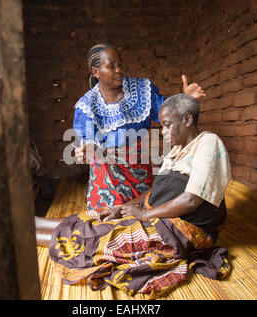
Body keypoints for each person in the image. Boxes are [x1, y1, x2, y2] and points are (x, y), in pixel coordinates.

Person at [37, 94, 232, 298]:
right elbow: (154, 191)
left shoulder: (208, 143)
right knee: (95, 216)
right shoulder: (177, 150)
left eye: (167, 125)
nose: (163, 132)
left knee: (99, 237)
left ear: (187, 119)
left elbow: (191, 200)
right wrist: (121, 208)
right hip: (159, 215)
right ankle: (32, 223)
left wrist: (144, 215)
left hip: (183, 227)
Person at [72, 43, 205, 210]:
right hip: (106, 176)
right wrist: (87, 151)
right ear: (96, 72)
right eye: (111, 66)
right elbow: (88, 142)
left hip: (139, 170)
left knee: (143, 215)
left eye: (119, 64)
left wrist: (186, 99)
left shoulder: (141, 90)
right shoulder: (86, 106)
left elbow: (167, 113)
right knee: (108, 223)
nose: (118, 70)